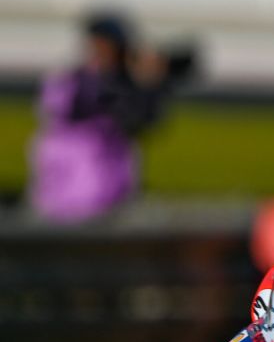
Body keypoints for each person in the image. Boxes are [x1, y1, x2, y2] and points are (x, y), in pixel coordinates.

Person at [28, 13, 184, 223]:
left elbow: (145, 121)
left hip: (109, 197)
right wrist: (139, 81)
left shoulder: (111, 82)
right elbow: (95, 103)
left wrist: (152, 85)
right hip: (70, 199)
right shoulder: (75, 81)